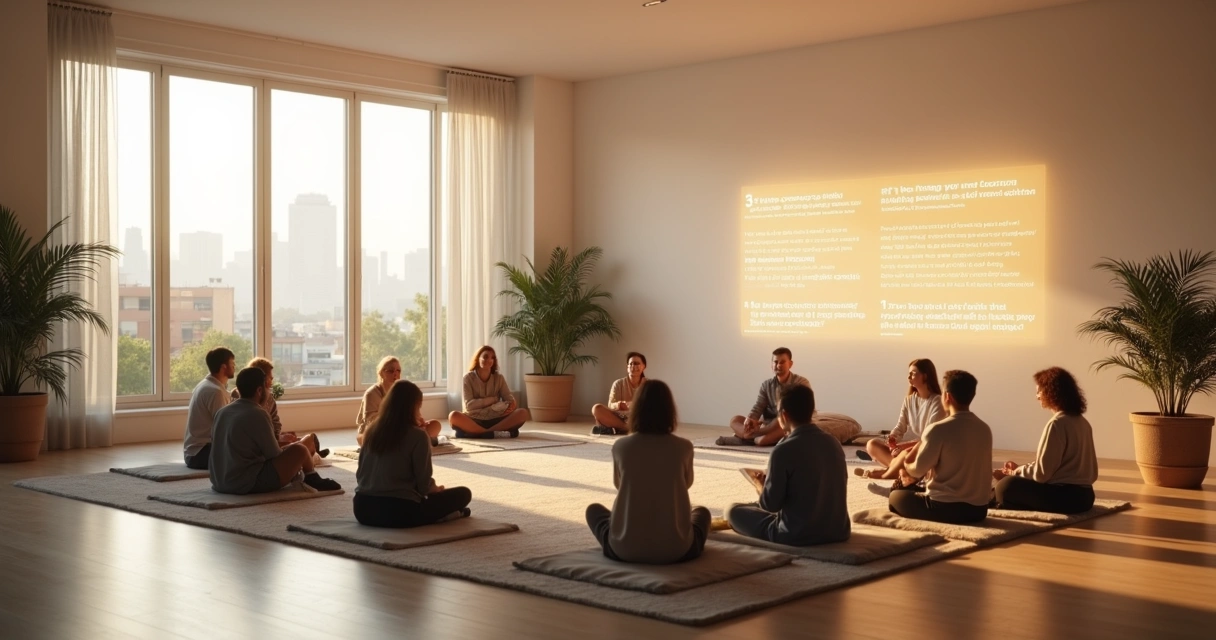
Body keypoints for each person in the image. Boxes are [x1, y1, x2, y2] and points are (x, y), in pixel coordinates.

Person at [585, 380, 711, 563]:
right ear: (670, 411)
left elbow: (619, 485)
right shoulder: (684, 447)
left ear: (636, 410)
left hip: (624, 549)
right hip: (677, 550)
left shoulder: (621, 446)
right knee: (702, 513)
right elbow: (687, 483)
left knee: (593, 511)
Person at [726, 385, 851, 545]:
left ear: (783, 415)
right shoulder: (833, 442)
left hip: (795, 534)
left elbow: (770, 505)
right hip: (838, 531)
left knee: (733, 510)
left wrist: (760, 484)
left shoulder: (783, 450)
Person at [354, 380, 473, 527]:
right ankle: (447, 516)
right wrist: (435, 489)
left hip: (362, 509)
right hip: (399, 511)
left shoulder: (371, 432)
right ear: (414, 406)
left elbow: (360, 476)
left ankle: (446, 515)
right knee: (463, 494)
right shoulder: (418, 435)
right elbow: (423, 486)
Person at [210, 367, 341, 495]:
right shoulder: (257, 413)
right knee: (300, 450)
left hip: (219, 482)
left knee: (298, 447)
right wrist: (293, 450)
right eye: (267, 388)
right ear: (259, 390)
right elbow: (273, 454)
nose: (269, 392)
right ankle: (312, 477)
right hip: (245, 483)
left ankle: (310, 473)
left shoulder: (222, 412)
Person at [888, 370, 992, 525]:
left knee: (896, 497)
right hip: (979, 511)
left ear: (947, 396)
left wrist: (905, 468)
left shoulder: (938, 429)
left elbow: (916, 471)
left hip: (945, 508)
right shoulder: (984, 429)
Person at [992, 367, 1098, 514]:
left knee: (1005, 486)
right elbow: (1060, 468)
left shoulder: (1057, 424)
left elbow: (1042, 474)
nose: (1037, 396)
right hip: (1086, 498)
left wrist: (1014, 473)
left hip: (1065, 498)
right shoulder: (1082, 422)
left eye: (1039, 391)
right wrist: (1021, 469)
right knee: (1009, 484)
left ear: (1051, 392)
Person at [856, 358, 946, 479]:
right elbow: (900, 427)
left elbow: (928, 439)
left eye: (913, 373)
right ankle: (899, 469)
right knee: (872, 444)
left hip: (927, 449)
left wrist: (901, 448)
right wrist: (892, 442)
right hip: (910, 450)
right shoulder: (909, 400)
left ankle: (883, 474)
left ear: (925, 376)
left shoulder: (937, 402)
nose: (909, 377)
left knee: (906, 454)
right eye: (908, 373)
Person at [231, 357, 328, 458]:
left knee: (305, 440)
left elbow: (275, 422)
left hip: (269, 441)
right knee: (302, 448)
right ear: (262, 380)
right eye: (270, 378)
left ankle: (309, 450)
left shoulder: (269, 398)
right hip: (260, 449)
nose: (272, 382)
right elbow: (270, 450)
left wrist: (279, 436)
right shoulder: (241, 398)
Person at [717, 347, 810, 446]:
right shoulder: (766, 385)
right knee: (734, 420)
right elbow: (758, 407)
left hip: (789, 423)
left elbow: (794, 412)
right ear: (771, 364)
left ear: (790, 364)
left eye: (782, 362)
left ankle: (746, 438)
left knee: (763, 439)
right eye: (775, 362)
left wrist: (760, 430)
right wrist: (750, 420)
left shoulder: (801, 383)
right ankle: (747, 436)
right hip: (767, 425)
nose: (778, 365)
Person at [448, 346, 530, 439]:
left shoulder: (499, 378)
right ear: (478, 358)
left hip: (496, 418)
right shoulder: (468, 378)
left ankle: (477, 433)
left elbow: (510, 400)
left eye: (492, 358)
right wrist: (493, 399)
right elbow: (469, 406)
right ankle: (492, 433)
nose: (489, 360)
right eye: (485, 356)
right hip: (474, 418)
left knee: (522, 413)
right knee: (453, 416)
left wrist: (511, 405)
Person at [182, 347, 235, 469]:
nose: (235, 367)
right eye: (232, 364)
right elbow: (224, 427)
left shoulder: (207, 385)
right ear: (224, 367)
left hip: (195, 452)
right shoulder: (214, 391)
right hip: (200, 454)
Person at [590, 352, 647, 435]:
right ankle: (627, 428)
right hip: (620, 417)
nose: (633, 366)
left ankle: (616, 429)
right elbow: (611, 405)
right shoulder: (618, 383)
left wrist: (635, 406)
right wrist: (619, 405)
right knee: (596, 408)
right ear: (627, 367)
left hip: (639, 418)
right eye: (630, 364)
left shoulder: (648, 385)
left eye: (637, 363)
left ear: (643, 367)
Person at [356, 356, 400, 446]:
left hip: (396, 427)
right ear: (381, 373)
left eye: (398, 371)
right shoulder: (371, 393)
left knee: (434, 425)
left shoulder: (401, 390)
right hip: (375, 431)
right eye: (391, 371)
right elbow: (370, 420)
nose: (395, 374)